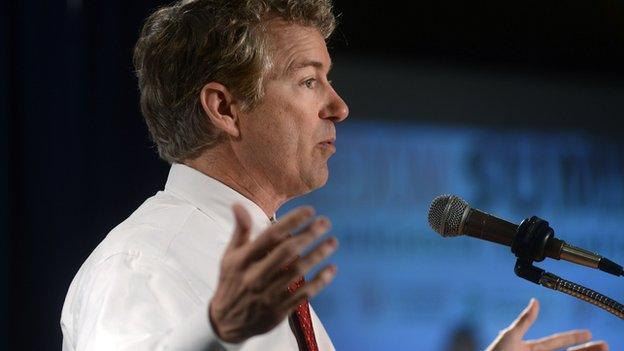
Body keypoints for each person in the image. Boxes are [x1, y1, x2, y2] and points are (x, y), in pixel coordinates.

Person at [60, 1, 609, 350]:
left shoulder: (257, 267)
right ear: (225, 108)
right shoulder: (144, 261)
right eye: (308, 81)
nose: (339, 106)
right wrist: (215, 331)